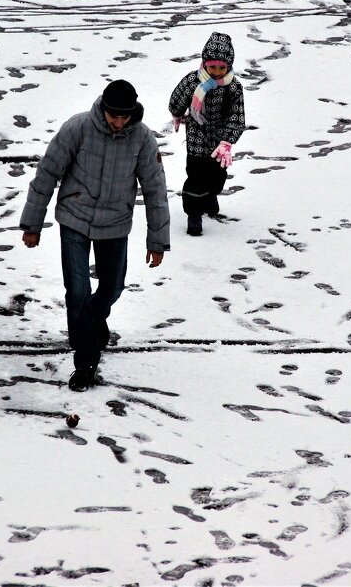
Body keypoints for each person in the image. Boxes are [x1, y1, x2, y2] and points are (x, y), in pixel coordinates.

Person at [20, 79, 170, 392]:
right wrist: (32, 224)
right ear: (103, 108)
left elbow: (155, 189)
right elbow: (47, 174)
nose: (118, 122)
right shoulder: (77, 129)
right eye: (113, 115)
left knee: (112, 288)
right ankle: (85, 363)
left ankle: (91, 320)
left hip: (115, 224)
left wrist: (157, 241)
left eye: (124, 116)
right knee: (77, 291)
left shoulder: (142, 139)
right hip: (74, 218)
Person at [168, 31, 247, 236]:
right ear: (204, 64)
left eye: (222, 68)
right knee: (195, 175)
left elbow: (236, 116)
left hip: (219, 141)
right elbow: (177, 100)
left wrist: (227, 141)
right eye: (213, 67)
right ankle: (194, 214)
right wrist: (177, 113)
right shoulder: (193, 82)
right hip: (197, 137)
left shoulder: (233, 87)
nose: (217, 72)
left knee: (217, 176)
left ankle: (211, 194)